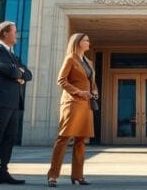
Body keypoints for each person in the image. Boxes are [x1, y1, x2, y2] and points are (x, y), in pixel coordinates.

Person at [0, 21, 33, 187]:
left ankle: (1, 173)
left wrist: (20, 74)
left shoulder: (13, 56)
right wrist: (18, 73)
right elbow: (12, 71)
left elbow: (28, 75)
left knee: (9, 138)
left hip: (13, 102)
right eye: (14, 32)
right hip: (0, 101)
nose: (17, 35)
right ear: (5, 34)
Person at [47, 33, 98, 187]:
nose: (89, 42)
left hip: (86, 104)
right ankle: (53, 176)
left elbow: (91, 82)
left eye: (89, 40)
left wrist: (95, 91)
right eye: (86, 40)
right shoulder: (70, 58)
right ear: (78, 42)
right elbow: (61, 80)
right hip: (72, 103)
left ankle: (78, 176)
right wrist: (78, 92)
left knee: (81, 140)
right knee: (63, 138)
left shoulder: (88, 61)